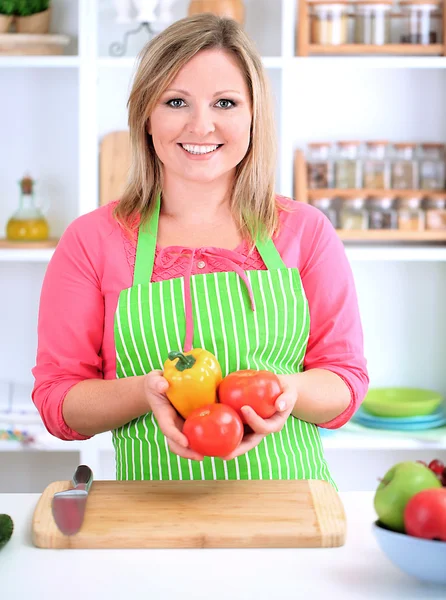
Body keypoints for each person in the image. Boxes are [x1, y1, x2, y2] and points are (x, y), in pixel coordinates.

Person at [32, 14, 368, 485]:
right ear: (147, 118)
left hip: (289, 510)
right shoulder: (91, 241)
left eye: (225, 102)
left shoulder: (305, 231)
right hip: (152, 514)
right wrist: (146, 392)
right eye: (176, 102)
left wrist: (286, 391)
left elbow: (344, 382)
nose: (201, 125)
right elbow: (57, 401)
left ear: (253, 115)